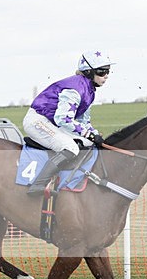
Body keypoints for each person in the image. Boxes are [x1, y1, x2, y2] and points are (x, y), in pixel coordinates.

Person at [23, 50, 113, 194]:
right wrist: (88, 134)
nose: (106, 76)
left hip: (52, 123)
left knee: (88, 143)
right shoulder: (75, 89)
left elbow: (84, 121)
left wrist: (95, 135)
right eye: (102, 72)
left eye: (108, 71)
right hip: (38, 121)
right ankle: (38, 185)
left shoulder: (89, 91)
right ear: (89, 72)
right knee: (70, 147)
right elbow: (63, 119)